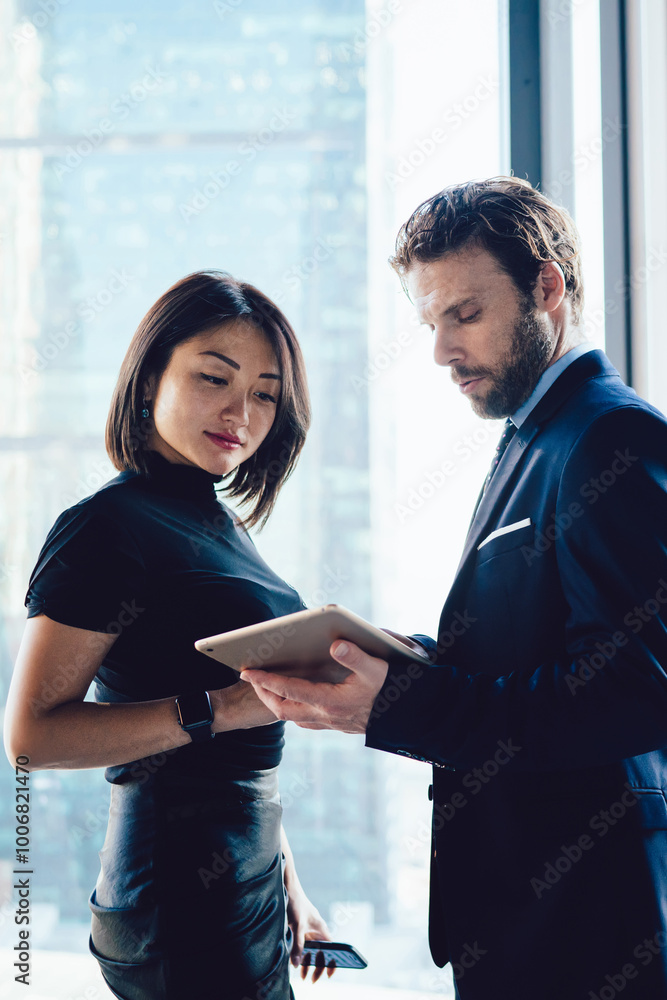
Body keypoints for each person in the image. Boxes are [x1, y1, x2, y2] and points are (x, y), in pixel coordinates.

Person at [241, 178, 667, 999]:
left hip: (587, 928)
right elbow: (537, 649)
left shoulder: (609, 436)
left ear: (546, 287)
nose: (440, 350)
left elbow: (634, 692)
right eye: (430, 322)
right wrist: (399, 660)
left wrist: (396, 703)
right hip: (524, 920)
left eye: (463, 315)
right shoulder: (530, 439)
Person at [4, 271, 335, 999]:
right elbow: (32, 737)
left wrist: (291, 887)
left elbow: (240, 759)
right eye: (214, 378)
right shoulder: (105, 527)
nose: (239, 412)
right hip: (176, 890)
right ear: (150, 377)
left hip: (243, 876)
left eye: (265, 394)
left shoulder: (224, 525)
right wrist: (224, 705)